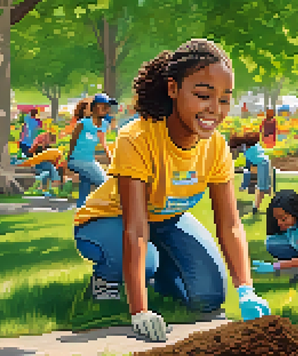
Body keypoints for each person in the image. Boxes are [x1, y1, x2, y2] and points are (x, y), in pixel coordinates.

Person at [72, 39, 271, 342]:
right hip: (107, 219)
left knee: (208, 296)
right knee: (146, 257)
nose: (214, 110)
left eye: (224, 99)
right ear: (173, 89)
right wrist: (139, 311)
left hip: (167, 220)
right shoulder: (137, 137)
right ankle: (107, 280)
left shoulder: (215, 146)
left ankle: (156, 274)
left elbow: (230, 224)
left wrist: (246, 289)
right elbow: (135, 228)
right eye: (203, 95)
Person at [66, 93, 116, 208]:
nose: (106, 108)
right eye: (102, 105)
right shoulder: (83, 124)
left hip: (89, 161)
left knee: (85, 186)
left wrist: (111, 161)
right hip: (77, 160)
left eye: (107, 106)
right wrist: (67, 161)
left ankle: (80, 211)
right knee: (105, 183)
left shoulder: (104, 124)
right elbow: (72, 142)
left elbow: (103, 144)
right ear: (93, 108)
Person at [229, 131, 272, 214]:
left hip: (262, 164)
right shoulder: (251, 146)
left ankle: (256, 207)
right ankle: (257, 206)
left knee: (262, 188)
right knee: (263, 187)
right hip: (263, 163)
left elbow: (235, 153)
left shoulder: (246, 147)